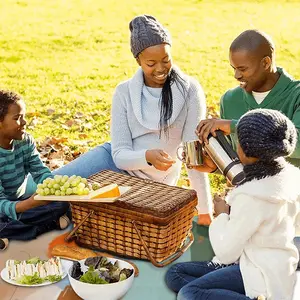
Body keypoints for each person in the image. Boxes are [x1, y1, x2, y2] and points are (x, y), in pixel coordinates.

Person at [53, 15, 213, 225]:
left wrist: (205, 211)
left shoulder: (190, 90)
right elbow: (119, 155)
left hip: (150, 185)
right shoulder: (125, 92)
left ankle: (56, 217)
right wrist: (147, 156)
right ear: (138, 61)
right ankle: (12, 210)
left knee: (74, 210)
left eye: (166, 60)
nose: (160, 69)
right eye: (151, 63)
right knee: (49, 189)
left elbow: (193, 157)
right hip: (112, 163)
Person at [165, 108, 300, 300]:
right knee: (175, 274)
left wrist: (222, 215)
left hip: (258, 273)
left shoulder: (251, 196)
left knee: (189, 293)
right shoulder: (292, 177)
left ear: (244, 150)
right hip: (274, 265)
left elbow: (226, 252)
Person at [196, 29, 300, 168]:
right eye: (234, 68)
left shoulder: (296, 95)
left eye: (243, 69)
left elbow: (297, 144)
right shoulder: (230, 100)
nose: (236, 75)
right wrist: (215, 167)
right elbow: (238, 160)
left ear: (265, 63)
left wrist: (234, 126)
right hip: (249, 188)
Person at [0, 90, 70, 248]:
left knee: (62, 204)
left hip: (20, 202)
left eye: (23, 116)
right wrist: (30, 204)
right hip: (5, 206)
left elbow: (40, 171)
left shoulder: (25, 141)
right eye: (17, 118)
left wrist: (54, 189)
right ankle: (45, 226)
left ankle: (12, 232)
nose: (24, 122)